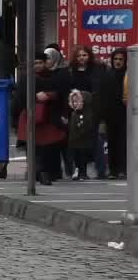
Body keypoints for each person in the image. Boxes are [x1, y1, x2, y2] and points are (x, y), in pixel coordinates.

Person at [13, 52, 66, 185]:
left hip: (48, 118)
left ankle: (47, 172)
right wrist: (35, 98)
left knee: (47, 148)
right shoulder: (25, 78)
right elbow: (20, 99)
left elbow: (60, 94)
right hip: (30, 117)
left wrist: (49, 95)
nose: (37, 66)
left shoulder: (52, 77)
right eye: (34, 63)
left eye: (40, 63)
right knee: (33, 149)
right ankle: (38, 173)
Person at [67, 45, 111, 179]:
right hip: (75, 109)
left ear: (89, 56)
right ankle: (80, 169)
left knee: (93, 140)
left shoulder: (96, 69)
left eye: (84, 55)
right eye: (79, 56)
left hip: (92, 109)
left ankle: (99, 169)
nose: (82, 58)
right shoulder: (71, 71)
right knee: (77, 140)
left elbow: (99, 89)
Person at [44, 47, 72, 180]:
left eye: (48, 58)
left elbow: (64, 94)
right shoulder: (45, 73)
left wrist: (65, 113)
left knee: (63, 142)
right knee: (52, 143)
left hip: (61, 111)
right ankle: (56, 171)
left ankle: (69, 169)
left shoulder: (63, 73)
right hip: (48, 113)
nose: (46, 61)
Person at [107, 48, 128, 179]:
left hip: (125, 113)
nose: (118, 62)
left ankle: (123, 169)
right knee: (112, 141)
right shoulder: (108, 74)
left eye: (121, 59)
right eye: (115, 59)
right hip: (111, 113)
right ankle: (113, 170)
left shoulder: (128, 75)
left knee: (123, 142)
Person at [67, 89, 96, 181]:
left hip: (83, 141)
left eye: (78, 101)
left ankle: (83, 173)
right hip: (75, 142)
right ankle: (78, 171)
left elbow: (87, 126)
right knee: (77, 158)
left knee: (83, 158)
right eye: (74, 102)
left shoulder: (88, 113)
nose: (75, 104)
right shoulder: (74, 113)